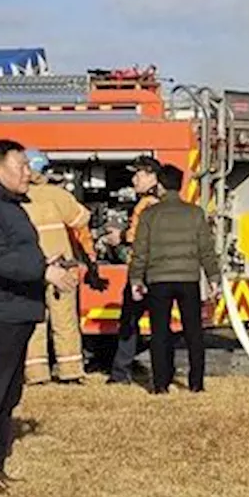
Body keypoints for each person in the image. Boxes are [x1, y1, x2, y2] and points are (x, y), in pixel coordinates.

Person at [0, 139, 77, 491]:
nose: (29, 173)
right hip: (2, 312)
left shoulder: (13, 206)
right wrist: (43, 272)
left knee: (8, 396)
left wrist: (47, 263)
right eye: (22, 166)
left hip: (19, 310)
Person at [129, 163, 221, 393]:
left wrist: (136, 279)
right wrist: (213, 278)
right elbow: (206, 250)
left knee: (160, 333)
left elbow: (141, 251)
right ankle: (196, 383)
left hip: (158, 280)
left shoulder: (150, 215)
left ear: (159, 185)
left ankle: (161, 384)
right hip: (188, 279)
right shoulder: (195, 213)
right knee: (194, 332)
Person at [21, 149, 100, 385]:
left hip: (31, 267)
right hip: (63, 268)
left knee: (35, 322)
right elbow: (81, 219)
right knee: (65, 320)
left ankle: (36, 374)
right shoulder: (55, 194)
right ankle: (71, 371)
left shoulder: (17, 196)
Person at [110, 157, 164, 384]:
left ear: (152, 175)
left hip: (141, 272)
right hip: (160, 270)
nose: (133, 180)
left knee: (129, 322)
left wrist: (118, 237)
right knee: (158, 325)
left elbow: (138, 235)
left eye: (138, 175)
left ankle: (120, 374)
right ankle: (161, 374)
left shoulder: (146, 203)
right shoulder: (163, 201)